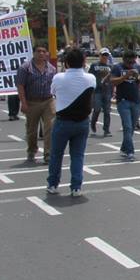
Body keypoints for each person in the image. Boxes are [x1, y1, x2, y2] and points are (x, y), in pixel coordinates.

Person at [46, 47, 95, 197]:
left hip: (63, 121)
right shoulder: (90, 78)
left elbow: (52, 92)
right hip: (82, 122)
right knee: (78, 155)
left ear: (66, 62)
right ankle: (76, 187)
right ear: (84, 61)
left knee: (56, 155)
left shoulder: (58, 77)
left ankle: (53, 184)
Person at [16, 46, 56, 164]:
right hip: (32, 102)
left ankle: (48, 154)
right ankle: (32, 150)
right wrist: (23, 103)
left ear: (47, 54)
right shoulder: (25, 68)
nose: (41, 53)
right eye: (38, 51)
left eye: (44, 51)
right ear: (33, 53)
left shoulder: (52, 69)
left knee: (50, 127)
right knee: (31, 129)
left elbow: (55, 85)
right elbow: (20, 86)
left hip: (48, 101)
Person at [111, 50, 140, 161]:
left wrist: (137, 76)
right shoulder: (117, 67)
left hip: (136, 101)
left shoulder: (137, 67)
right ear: (124, 59)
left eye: (133, 62)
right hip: (123, 101)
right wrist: (125, 77)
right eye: (129, 62)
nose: (131, 64)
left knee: (132, 127)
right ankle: (130, 152)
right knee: (127, 126)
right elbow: (113, 81)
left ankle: (124, 148)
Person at [88, 48, 114, 137]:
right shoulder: (94, 65)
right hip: (97, 91)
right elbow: (90, 77)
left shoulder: (110, 67)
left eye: (106, 55)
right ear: (100, 56)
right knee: (97, 109)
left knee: (107, 111)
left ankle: (106, 130)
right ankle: (93, 122)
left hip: (107, 91)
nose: (105, 57)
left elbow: (112, 80)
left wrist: (113, 90)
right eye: (103, 55)